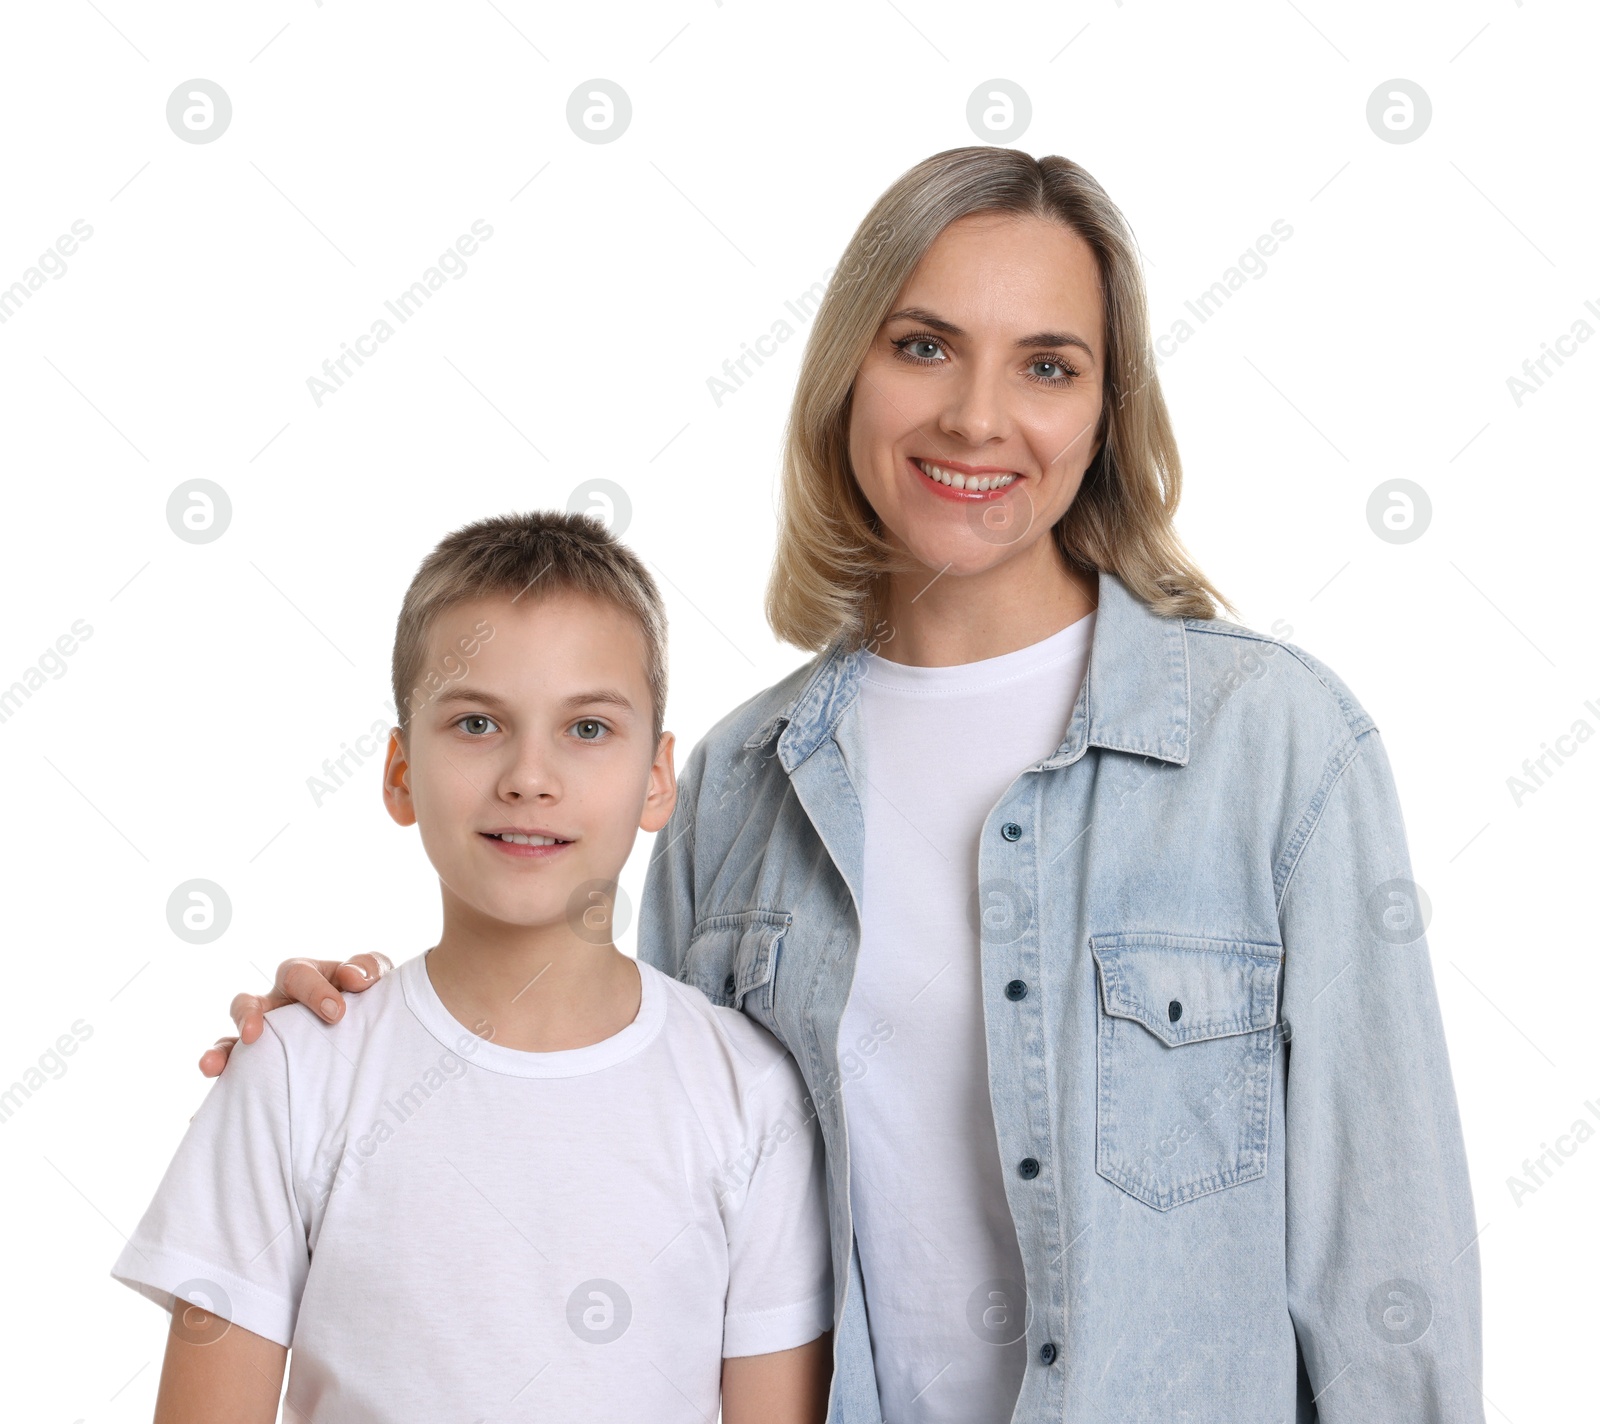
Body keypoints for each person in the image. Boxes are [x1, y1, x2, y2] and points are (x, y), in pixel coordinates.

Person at [202, 148, 1484, 1423]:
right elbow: (631, 1164)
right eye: (923, 345)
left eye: (1047, 364)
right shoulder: (739, 786)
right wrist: (345, 1047)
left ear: (1104, 413)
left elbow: (1388, 1270)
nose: (977, 416)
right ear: (846, 375)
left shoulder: (1271, 747)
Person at [114, 512, 834, 1423]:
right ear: (401, 771)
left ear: (658, 780)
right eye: (478, 721)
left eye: (587, 729)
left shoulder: (751, 1097)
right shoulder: (295, 1074)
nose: (529, 776)